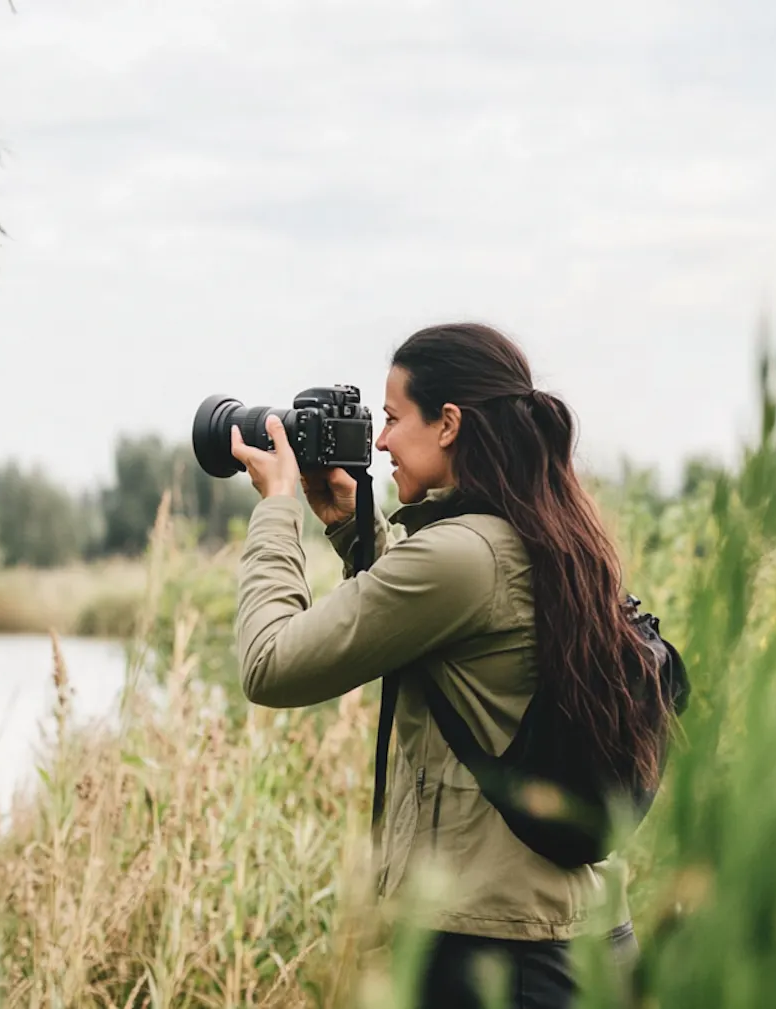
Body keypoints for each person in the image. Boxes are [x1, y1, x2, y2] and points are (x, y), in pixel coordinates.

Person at [228, 322, 660, 1008]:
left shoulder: (460, 555)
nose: (380, 442)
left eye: (393, 418)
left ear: (449, 423)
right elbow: (446, 619)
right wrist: (349, 525)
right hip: (580, 939)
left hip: (494, 955)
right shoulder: (547, 530)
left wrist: (278, 510)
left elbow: (269, 663)